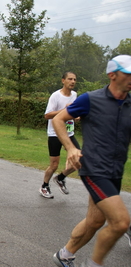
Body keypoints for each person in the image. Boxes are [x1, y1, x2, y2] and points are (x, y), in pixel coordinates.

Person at [52, 55, 131, 267]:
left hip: (115, 171)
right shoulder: (91, 99)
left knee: (95, 221)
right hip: (94, 168)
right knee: (121, 222)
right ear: (112, 75)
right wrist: (70, 148)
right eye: (128, 73)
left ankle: (65, 254)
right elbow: (58, 119)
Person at [39, 72, 80, 199]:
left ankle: (61, 178)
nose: (72, 81)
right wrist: (66, 110)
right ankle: (44, 186)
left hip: (69, 133)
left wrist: (76, 116)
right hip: (55, 133)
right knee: (54, 164)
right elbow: (47, 115)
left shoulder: (74, 95)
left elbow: (73, 113)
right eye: (69, 79)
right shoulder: (55, 96)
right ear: (63, 80)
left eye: (74, 79)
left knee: (80, 159)